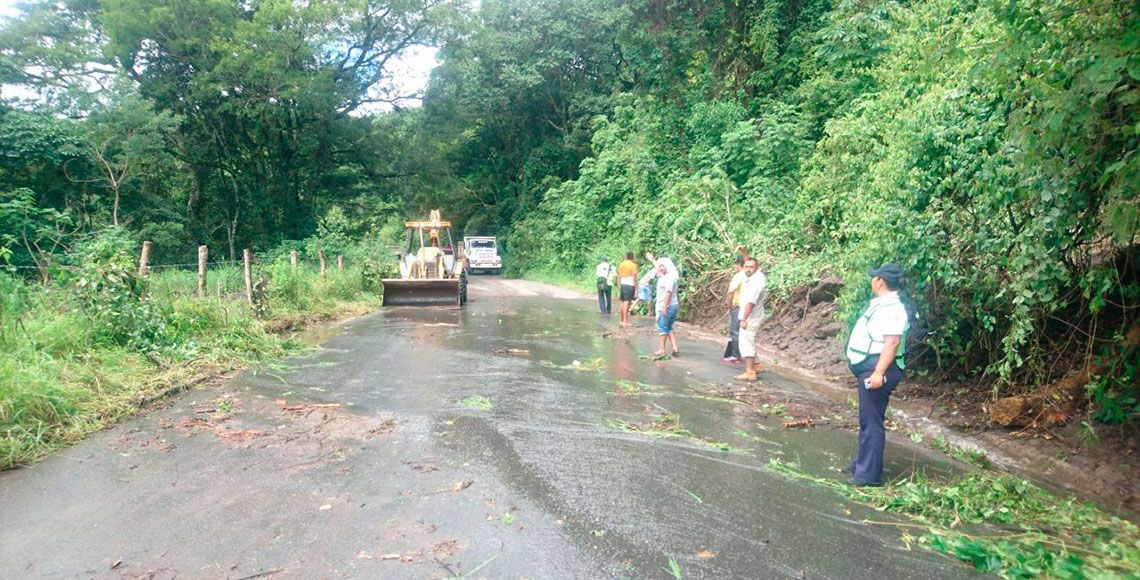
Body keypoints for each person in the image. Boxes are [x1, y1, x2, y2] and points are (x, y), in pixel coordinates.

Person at [845, 262, 911, 486]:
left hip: (878, 369)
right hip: (872, 366)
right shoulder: (884, 304)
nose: (872, 280)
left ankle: (868, 476)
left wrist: (878, 373)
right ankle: (860, 465)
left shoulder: (893, 309)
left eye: (874, 277)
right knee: (867, 419)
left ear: (880, 281)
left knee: (871, 421)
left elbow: (892, 342)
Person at [735, 257, 767, 381]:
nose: (748, 269)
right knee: (749, 341)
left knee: (746, 343)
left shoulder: (755, 284)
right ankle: (756, 365)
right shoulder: (756, 277)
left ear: (756, 268)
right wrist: (744, 253)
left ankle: (750, 372)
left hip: (751, 317)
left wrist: (744, 319)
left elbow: (750, 304)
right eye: (746, 266)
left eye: (751, 267)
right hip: (753, 315)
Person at [723, 245, 751, 364]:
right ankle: (742, 353)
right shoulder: (749, 275)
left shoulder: (738, 276)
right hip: (747, 306)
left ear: (738, 265)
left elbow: (731, 291)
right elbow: (750, 261)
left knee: (734, 332)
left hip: (737, 306)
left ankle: (735, 355)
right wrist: (744, 252)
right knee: (743, 332)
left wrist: (728, 303)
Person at [653, 257, 681, 357]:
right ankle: (675, 348)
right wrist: (653, 261)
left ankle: (662, 349)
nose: (660, 268)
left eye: (663, 266)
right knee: (669, 327)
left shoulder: (670, 278)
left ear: (668, 266)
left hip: (667, 306)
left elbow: (668, 292)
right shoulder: (670, 275)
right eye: (660, 266)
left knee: (663, 328)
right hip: (673, 305)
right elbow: (658, 270)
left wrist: (664, 306)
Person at [617, 252, 639, 326]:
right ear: (633, 257)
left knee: (622, 302)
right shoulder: (633, 265)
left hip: (623, 284)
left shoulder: (622, 264)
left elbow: (619, 275)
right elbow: (634, 277)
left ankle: (622, 320)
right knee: (627, 303)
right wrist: (636, 289)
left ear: (626, 256)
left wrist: (619, 285)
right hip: (629, 284)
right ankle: (625, 321)